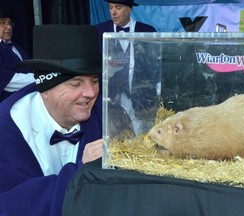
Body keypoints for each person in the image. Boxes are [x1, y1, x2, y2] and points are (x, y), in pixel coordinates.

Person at [0, 25, 102, 216]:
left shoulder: (107, 118)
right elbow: (11, 205)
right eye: (75, 83)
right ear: (45, 89)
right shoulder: (5, 132)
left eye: (95, 81)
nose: (91, 92)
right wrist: (82, 174)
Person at [96, 0, 160, 137]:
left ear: (130, 9)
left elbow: (155, 67)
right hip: (111, 98)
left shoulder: (148, 31)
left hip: (141, 96)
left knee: (142, 135)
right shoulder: (98, 31)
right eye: (110, 7)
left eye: (118, 7)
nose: (113, 12)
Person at [0, 11, 35, 102]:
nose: (9, 27)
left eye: (10, 23)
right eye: (3, 23)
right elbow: (5, 79)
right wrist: (39, 78)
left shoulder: (17, 47)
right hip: (8, 104)